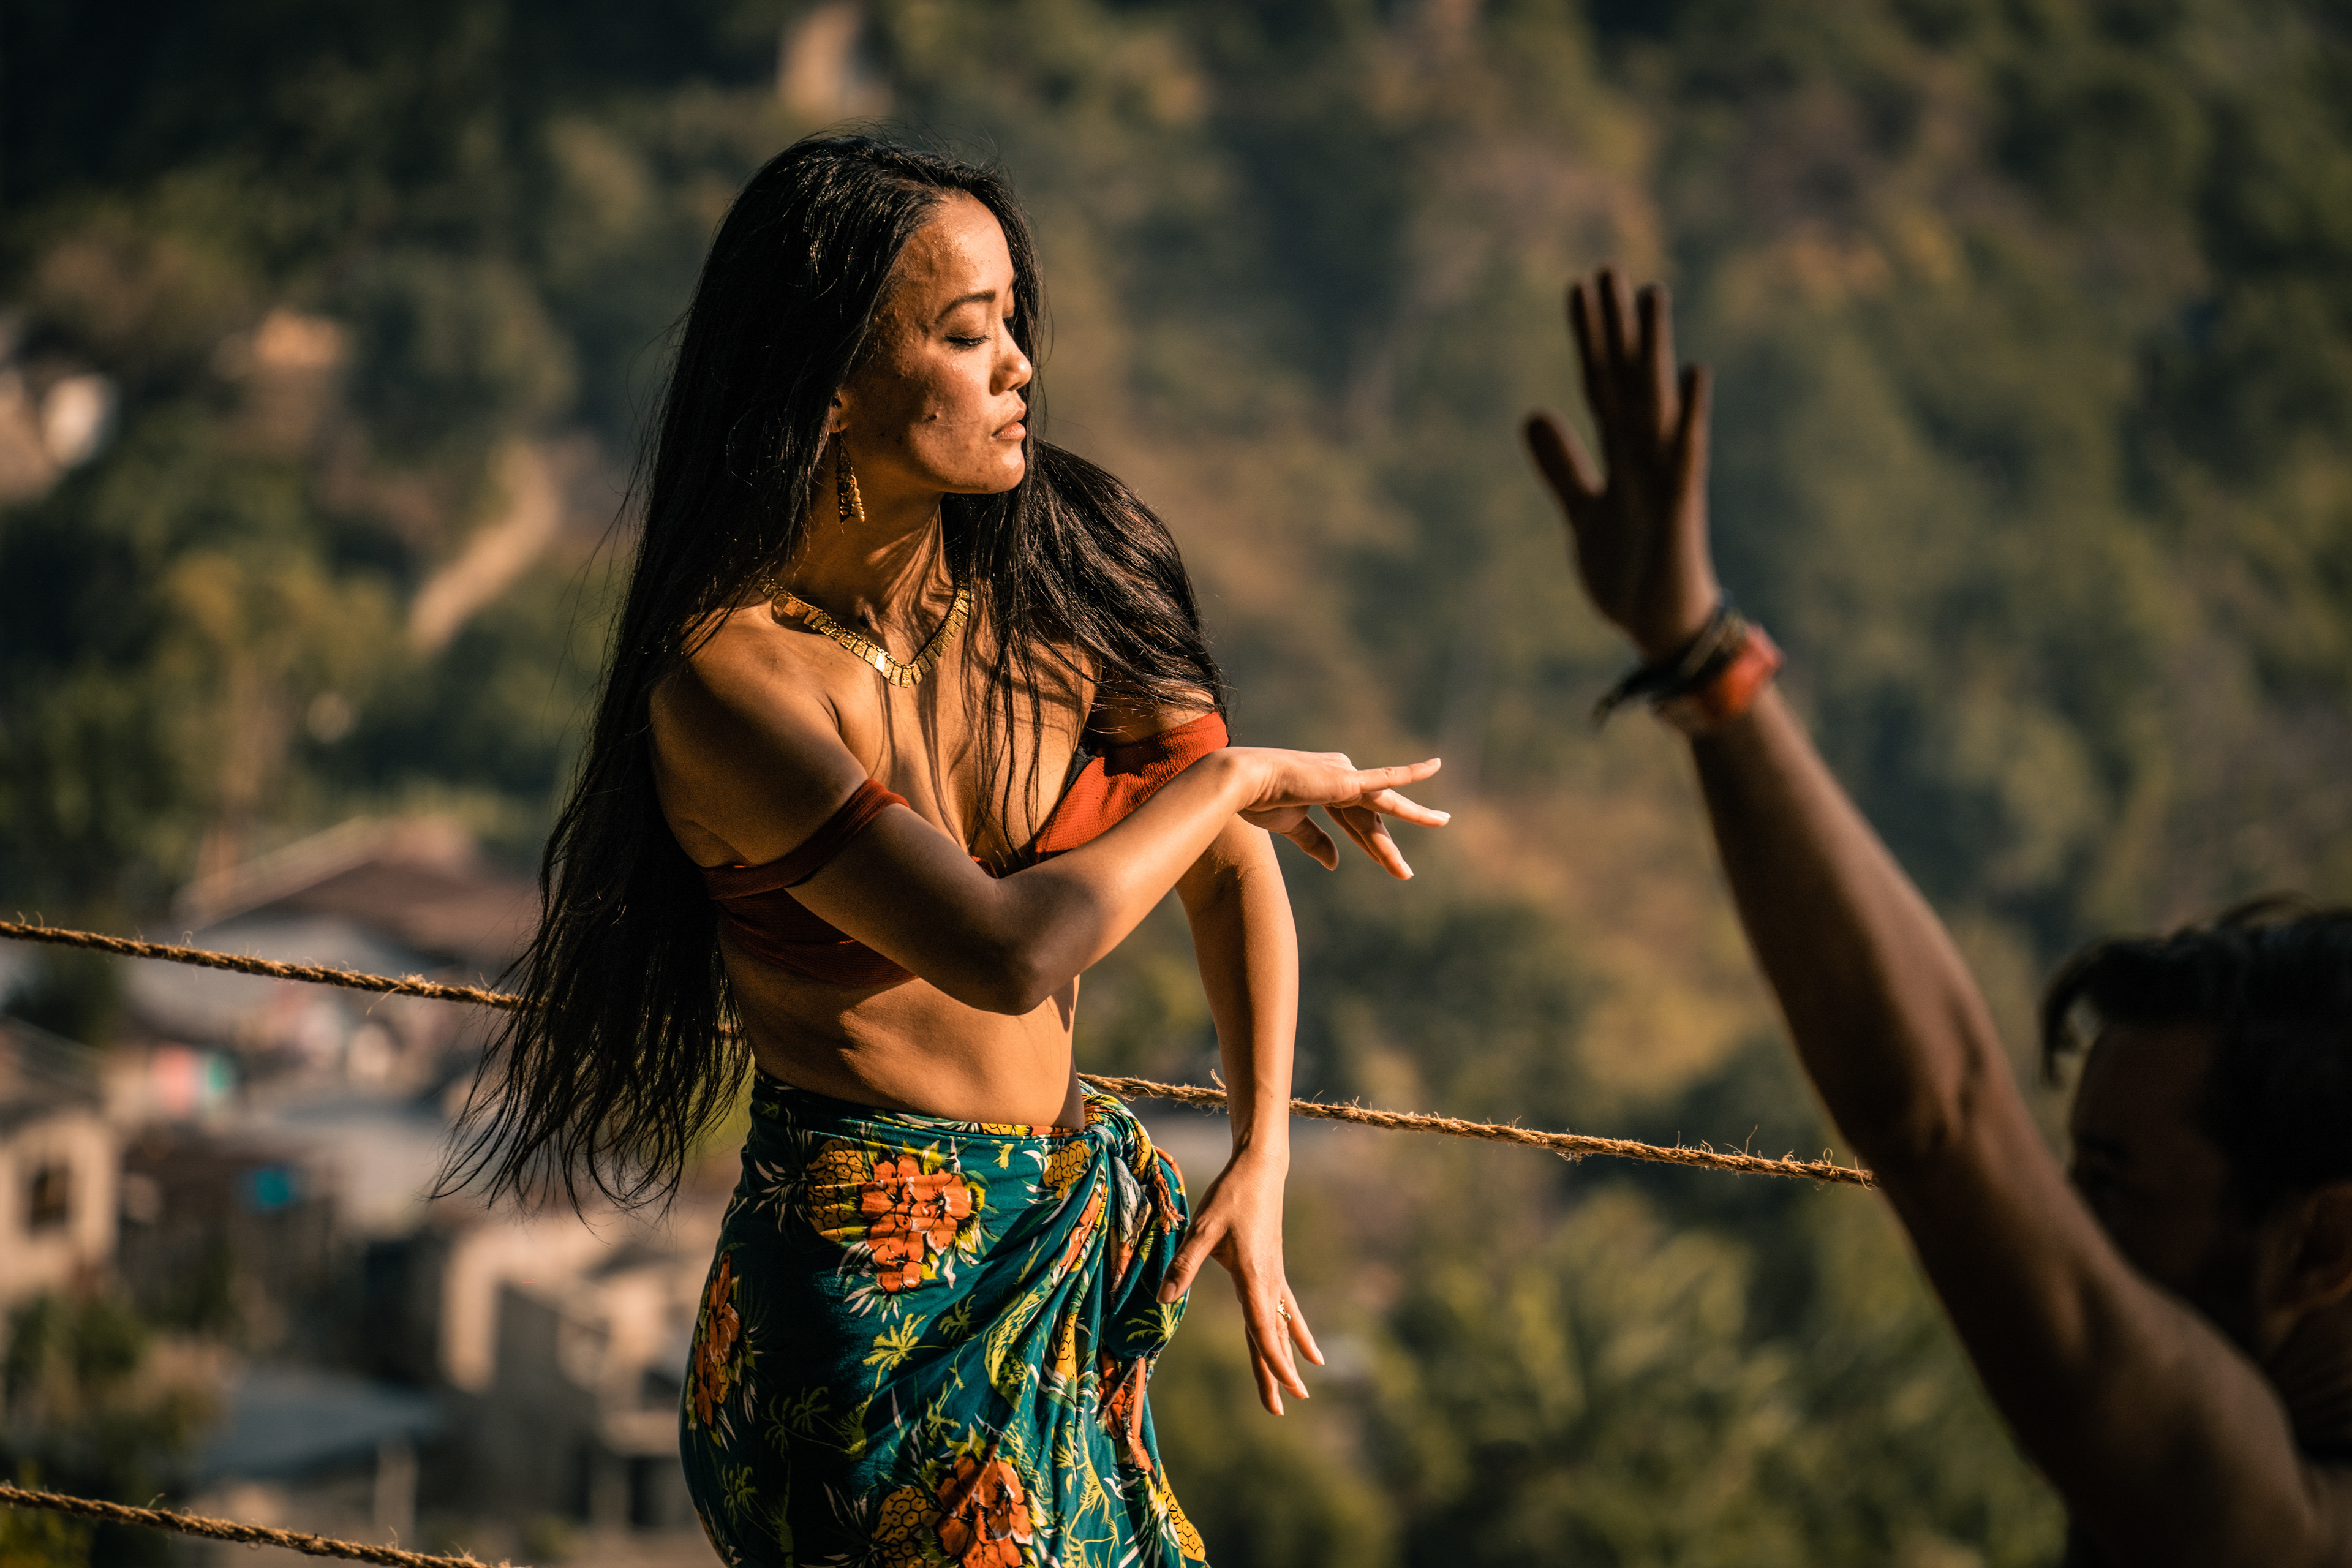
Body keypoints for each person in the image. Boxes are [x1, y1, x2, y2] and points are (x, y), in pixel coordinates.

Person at [444, 135, 1447, 1568]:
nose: (1020, 364)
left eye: (1016, 324)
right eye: (969, 333)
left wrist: (1265, 1142)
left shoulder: (1069, 570)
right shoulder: (730, 688)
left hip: (1050, 1274)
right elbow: (1004, 948)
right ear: (832, 387)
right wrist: (1234, 773)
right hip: (863, 1313)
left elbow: (1226, 864)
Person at [1525, 268, 2352, 1567]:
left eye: (2116, 1190)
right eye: (2076, 1175)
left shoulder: (2270, 1526)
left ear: (2324, 1239)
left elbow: (1941, 1117)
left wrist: (1699, 656)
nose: (2065, 1230)